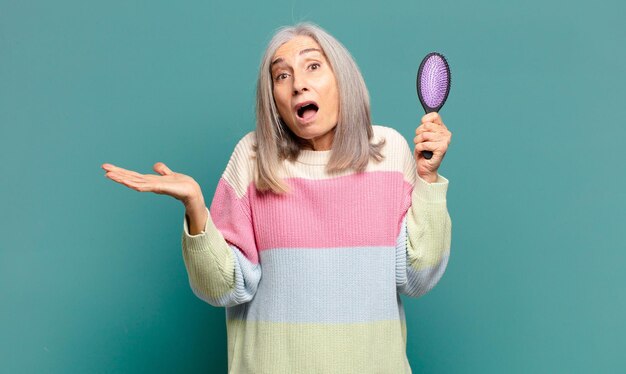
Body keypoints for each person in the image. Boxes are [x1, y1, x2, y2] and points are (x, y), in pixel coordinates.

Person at [102, 22, 452, 374]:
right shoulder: (253, 158)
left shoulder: (390, 153)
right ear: (273, 98)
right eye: (281, 76)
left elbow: (417, 277)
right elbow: (221, 287)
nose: (298, 83)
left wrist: (429, 181)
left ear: (343, 78)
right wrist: (195, 207)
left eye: (312, 66)